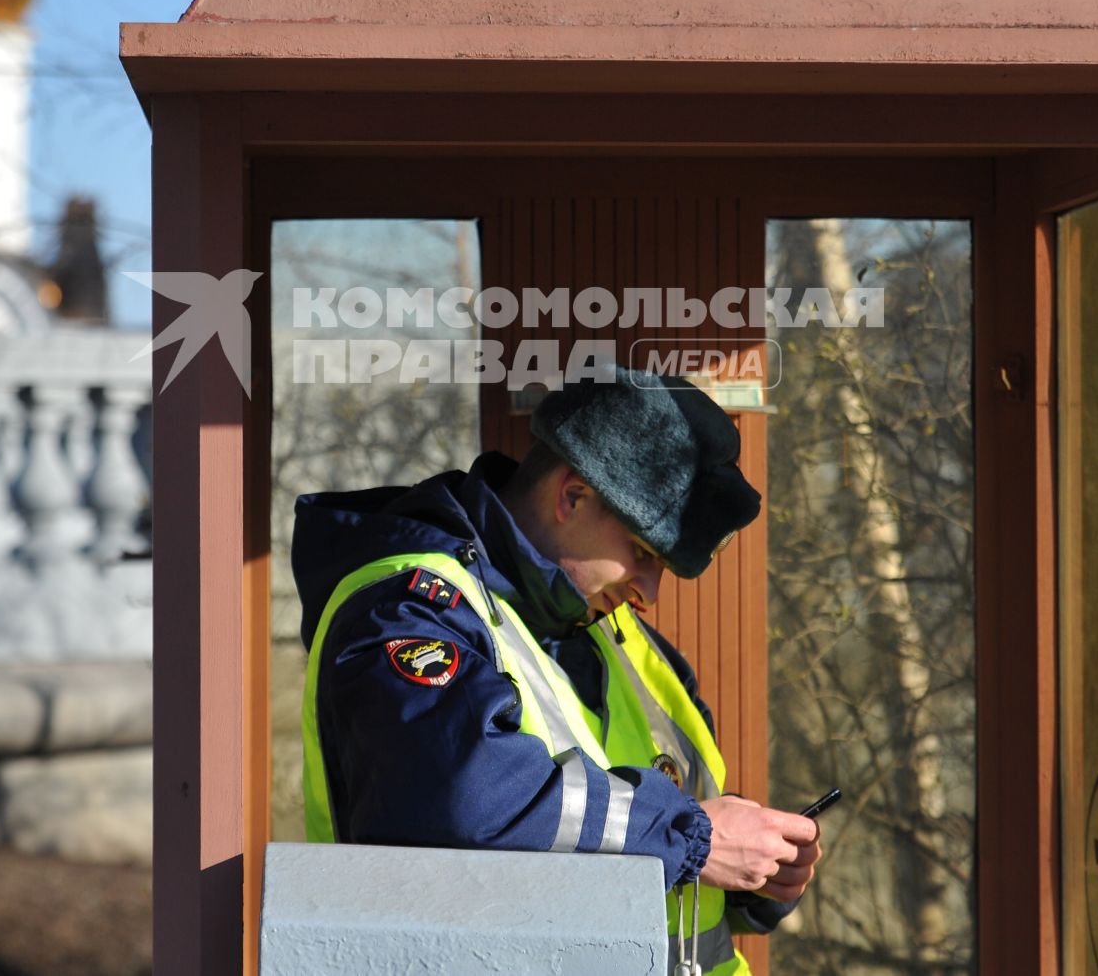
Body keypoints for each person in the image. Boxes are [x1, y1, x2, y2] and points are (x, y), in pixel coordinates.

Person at [292, 365, 822, 974]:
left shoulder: (624, 642)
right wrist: (692, 838)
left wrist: (751, 873)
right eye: (643, 554)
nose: (649, 590)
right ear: (572, 495)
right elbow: (463, 798)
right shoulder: (406, 611)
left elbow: (628, 849)